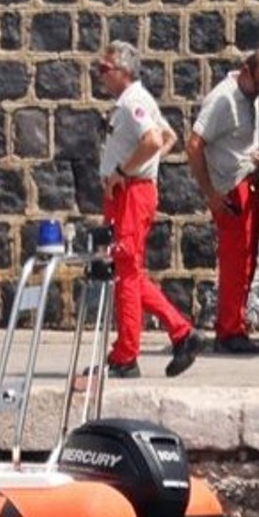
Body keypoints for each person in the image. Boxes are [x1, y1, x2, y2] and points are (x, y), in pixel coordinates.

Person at [93, 41, 201, 379]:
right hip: (131, 192)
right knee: (131, 271)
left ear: (123, 72)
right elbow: (167, 136)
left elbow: (154, 140)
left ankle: (126, 355)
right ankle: (181, 332)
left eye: (105, 69)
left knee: (124, 271)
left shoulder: (133, 102)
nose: (101, 76)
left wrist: (126, 172)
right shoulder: (135, 100)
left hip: (130, 194)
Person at [190, 46, 259, 357]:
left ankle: (236, 325)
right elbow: (194, 145)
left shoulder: (250, 96)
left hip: (249, 182)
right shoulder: (224, 98)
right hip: (230, 189)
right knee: (235, 263)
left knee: (247, 261)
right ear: (245, 71)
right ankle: (229, 330)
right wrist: (211, 195)